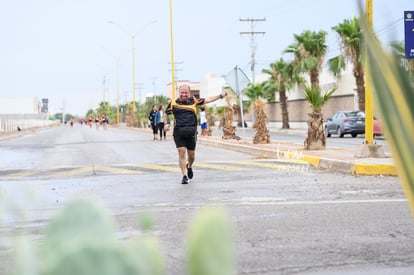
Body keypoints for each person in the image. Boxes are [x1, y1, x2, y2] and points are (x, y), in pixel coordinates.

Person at [164, 85, 228, 184]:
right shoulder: (173, 103)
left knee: (192, 155)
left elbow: (208, 99)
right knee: (181, 152)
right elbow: (166, 113)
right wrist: (166, 124)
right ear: (179, 92)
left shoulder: (194, 100)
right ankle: (184, 176)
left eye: (186, 92)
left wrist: (221, 95)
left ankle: (189, 166)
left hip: (191, 132)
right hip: (178, 131)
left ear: (189, 93)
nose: (184, 94)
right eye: (182, 92)